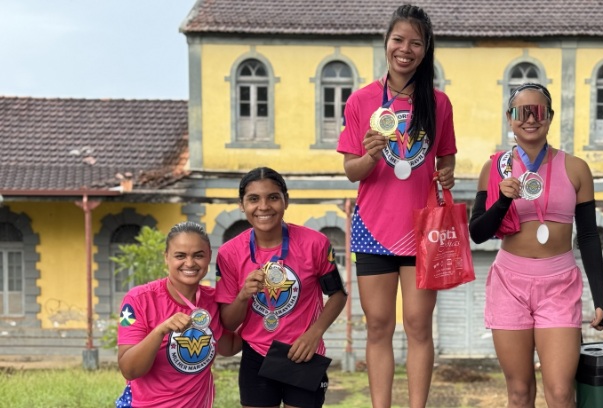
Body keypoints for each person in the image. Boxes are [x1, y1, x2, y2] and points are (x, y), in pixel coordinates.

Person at [336, 4, 456, 408]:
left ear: (426, 50)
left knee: (419, 326)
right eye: (398, 40)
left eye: (415, 43)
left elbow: (446, 157)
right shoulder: (361, 101)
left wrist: (447, 174)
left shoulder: (438, 103)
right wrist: (370, 155)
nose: (405, 49)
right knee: (378, 326)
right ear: (386, 42)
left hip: (425, 228)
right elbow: (352, 171)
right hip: (372, 227)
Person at [469, 83, 603, 408]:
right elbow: (477, 233)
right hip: (509, 284)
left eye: (539, 111)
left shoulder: (576, 168)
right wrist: (503, 200)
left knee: (561, 393)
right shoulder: (494, 168)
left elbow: (588, 237)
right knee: (519, 393)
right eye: (522, 111)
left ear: (550, 117)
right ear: (509, 118)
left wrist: (601, 299)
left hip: (559, 286)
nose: (531, 118)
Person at [215, 167, 348, 408]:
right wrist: (243, 295)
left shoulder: (315, 244)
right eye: (253, 199)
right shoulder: (229, 253)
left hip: (304, 353)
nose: (263, 206)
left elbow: (338, 295)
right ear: (241, 205)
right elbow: (228, 323)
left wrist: (314, 333)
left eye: (273, 197)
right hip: (255, 355)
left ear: (286, 200)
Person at [116, 221, 241, 408]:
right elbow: (130, 370)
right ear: (166, 257)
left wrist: (257, 310)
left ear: (209, 257)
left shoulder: (213, 301)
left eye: (198, 255)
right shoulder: (139, 299)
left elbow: (228, 346)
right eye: (180, 255)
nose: (189, 263)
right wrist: (160, 331)